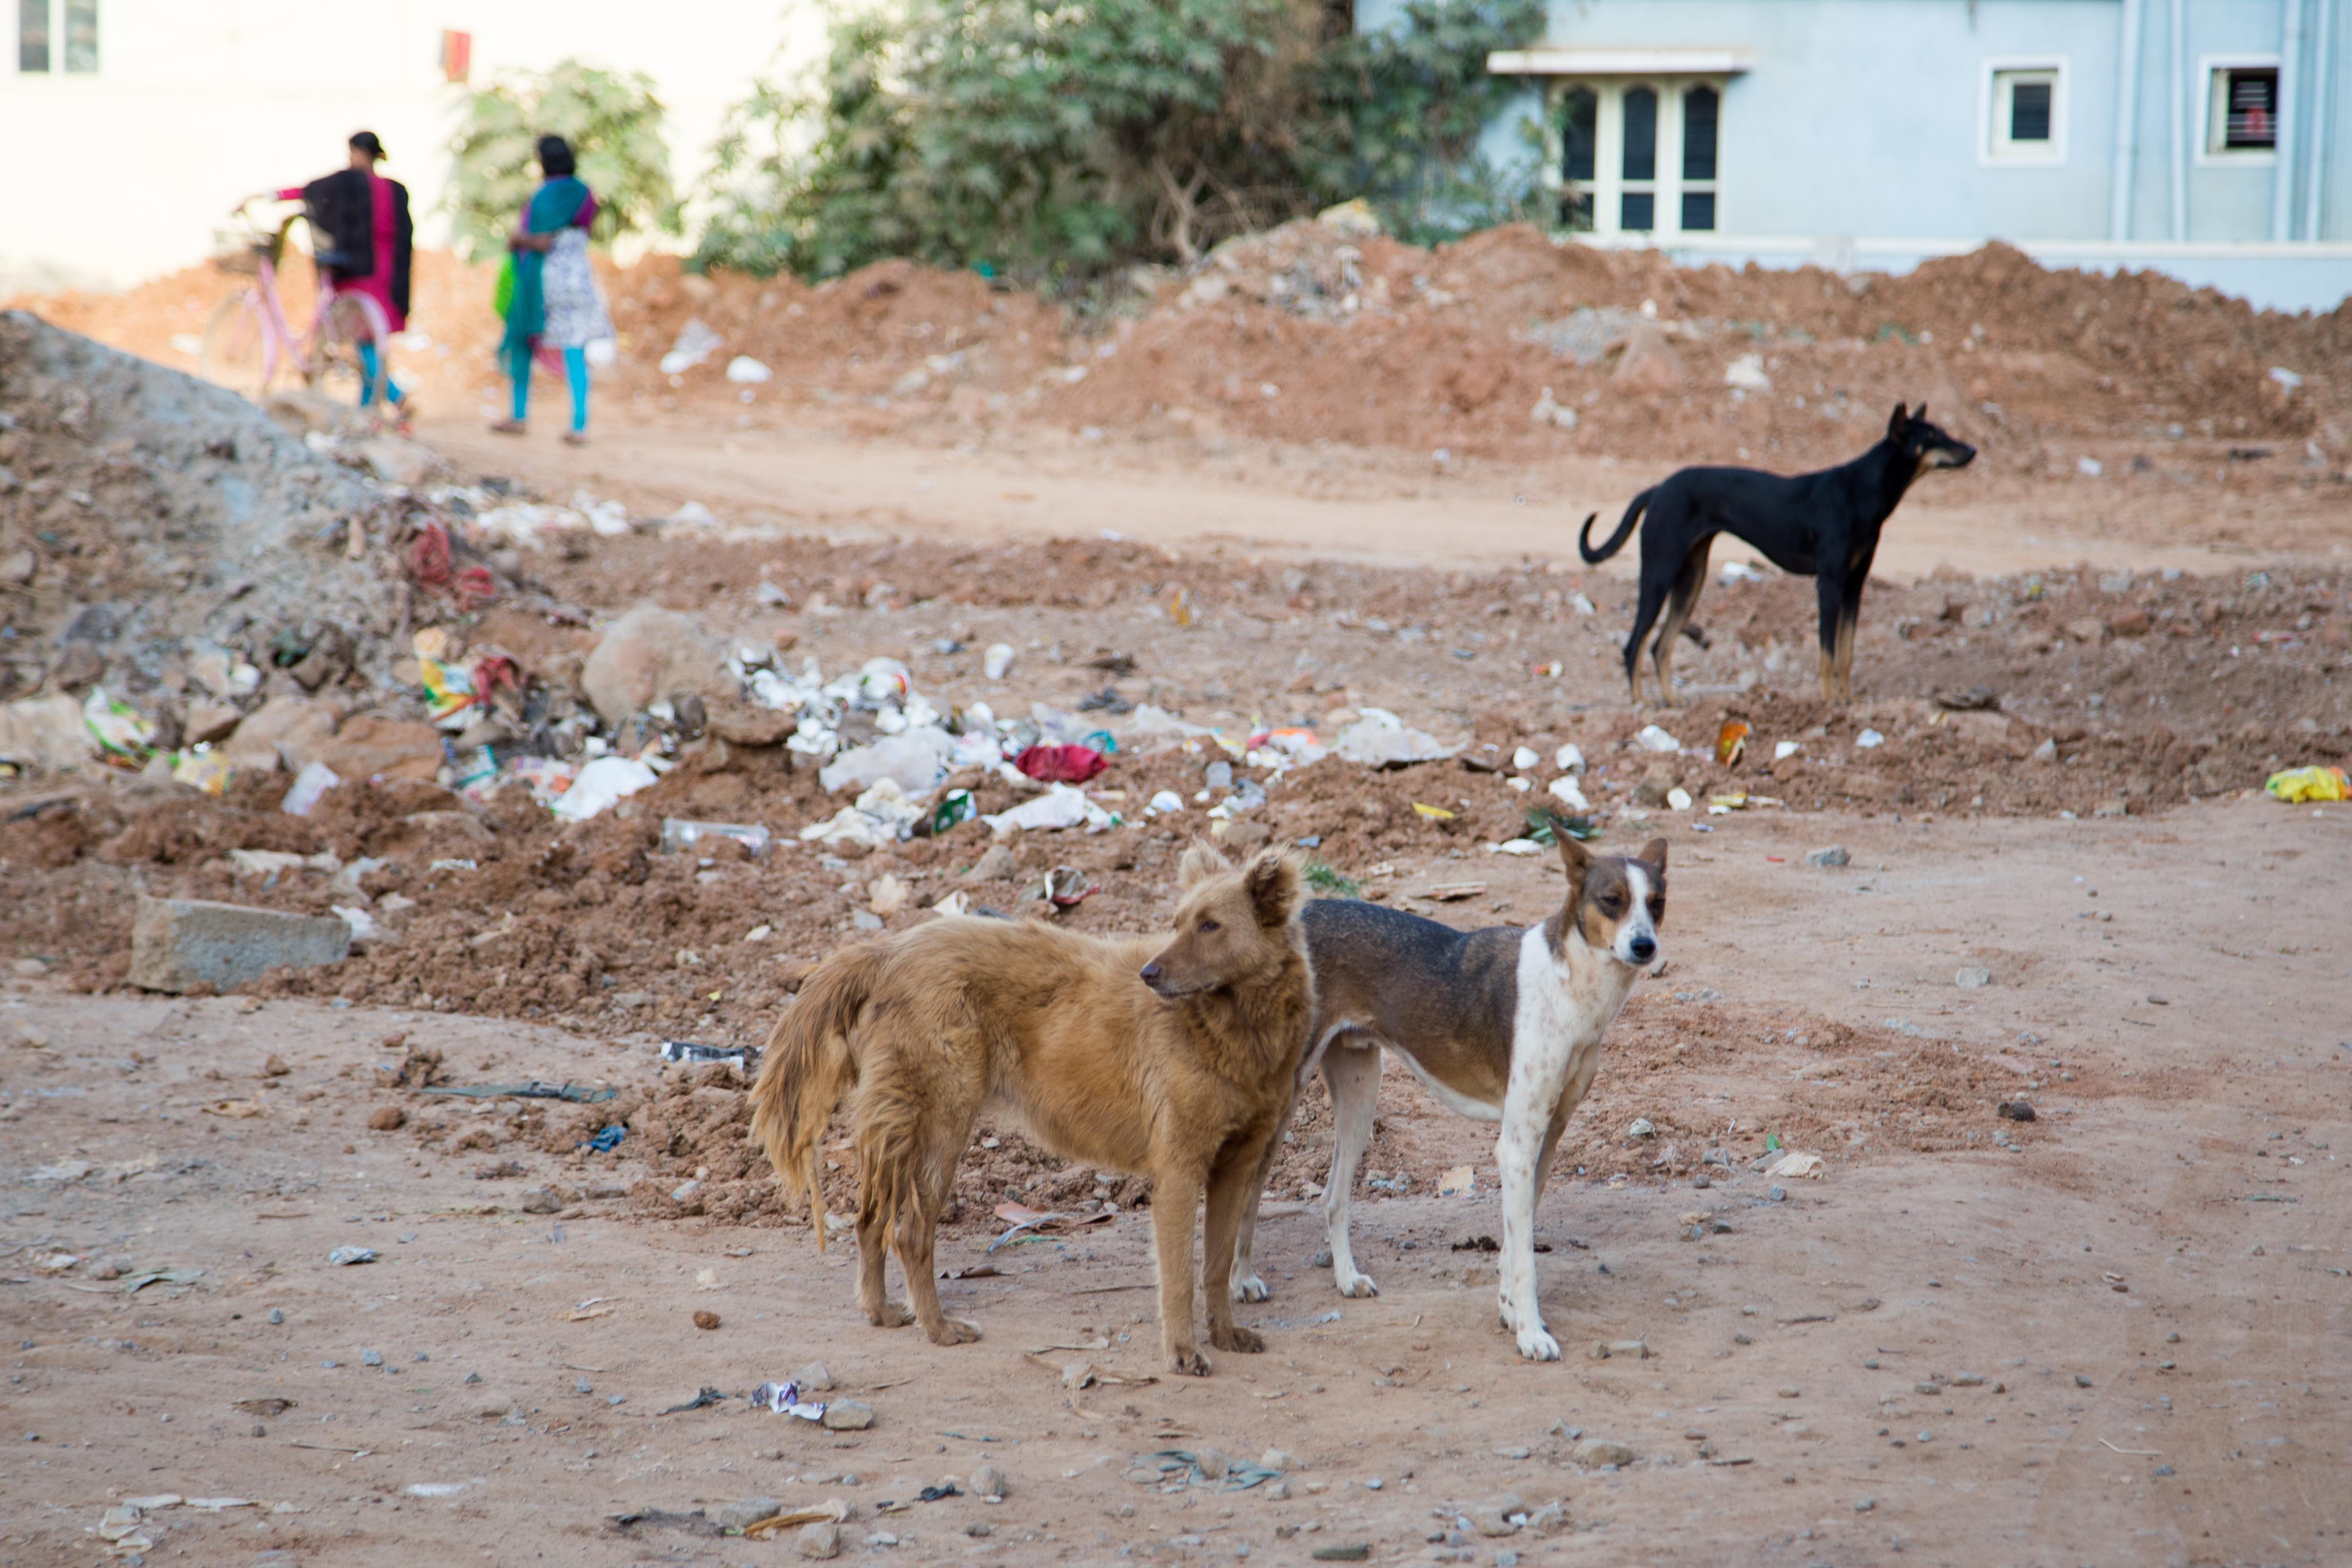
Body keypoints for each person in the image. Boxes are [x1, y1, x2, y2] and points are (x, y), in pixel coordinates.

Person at [275, 131, 413, 413]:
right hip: (391, 273)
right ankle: (367, 408)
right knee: (369, 340)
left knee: (363, 342)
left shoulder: (348, 182)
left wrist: (274, 196)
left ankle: (395, 394)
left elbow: (311, 192)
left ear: (360, 153)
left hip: (361, 272)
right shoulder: (395, 189)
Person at [492, 135, 612, 445]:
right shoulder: (585, 193)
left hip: (545, 281)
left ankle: (518, 416)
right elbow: (585, 227)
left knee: (524, 339)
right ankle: (579, 425)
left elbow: (542, 242)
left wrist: (518, 240)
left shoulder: (544, 195)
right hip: (580, 279)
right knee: (575, 349)